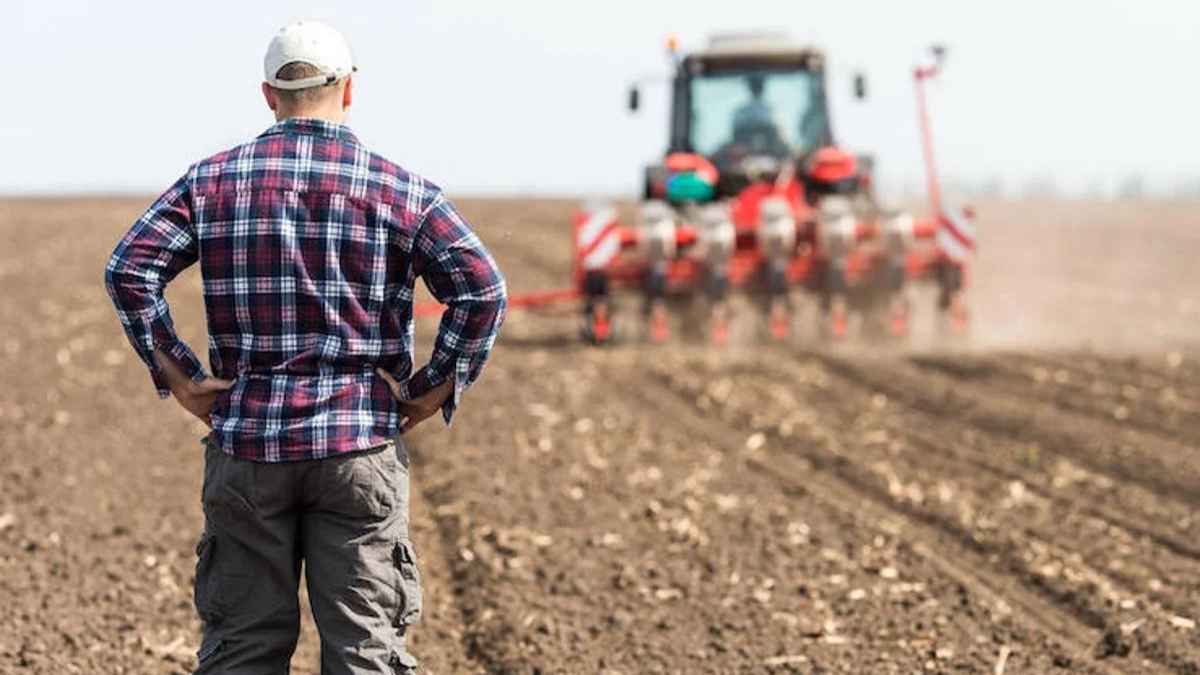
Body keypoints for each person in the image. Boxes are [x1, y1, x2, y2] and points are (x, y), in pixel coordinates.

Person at [103, 19, 506, 674]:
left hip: (248, 447)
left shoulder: (212, 183)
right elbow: (482, 289)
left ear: (268, 95)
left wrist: (180, 376)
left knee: (243, 652)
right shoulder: (401, 189)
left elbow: (129, 267)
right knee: (365, 653)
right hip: (359, 448)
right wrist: (436, 387)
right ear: (349, 90)